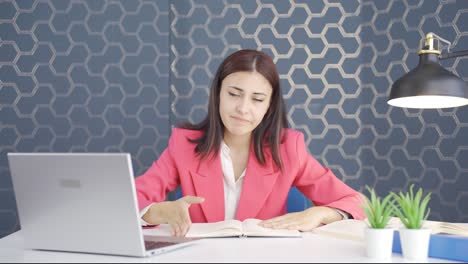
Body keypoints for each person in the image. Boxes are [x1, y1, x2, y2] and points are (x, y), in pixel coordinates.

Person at [135, 49, 365, 237]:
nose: (243, 109)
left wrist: (321, 213)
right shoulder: (184, 144)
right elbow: (130, 198)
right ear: (218, 95)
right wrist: (157, 211)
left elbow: (357, 202)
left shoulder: (288, 148)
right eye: (234, 94)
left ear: (269, 106)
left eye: (257, 99)